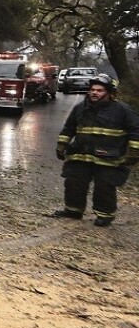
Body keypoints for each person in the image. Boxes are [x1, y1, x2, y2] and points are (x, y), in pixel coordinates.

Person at [50, 74, 139, 226]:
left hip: (109, 158)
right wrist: (62, 145)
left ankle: (104, 216)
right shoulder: (80, 108)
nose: (94, 93)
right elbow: (68, 128)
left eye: (99, 90)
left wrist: (134, 152)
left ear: (110, 93)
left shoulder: (123, 110)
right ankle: (73, 211)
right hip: (81, 154)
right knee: (74, 182)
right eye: (92, 90)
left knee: (104, 186)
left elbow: (135, 131)